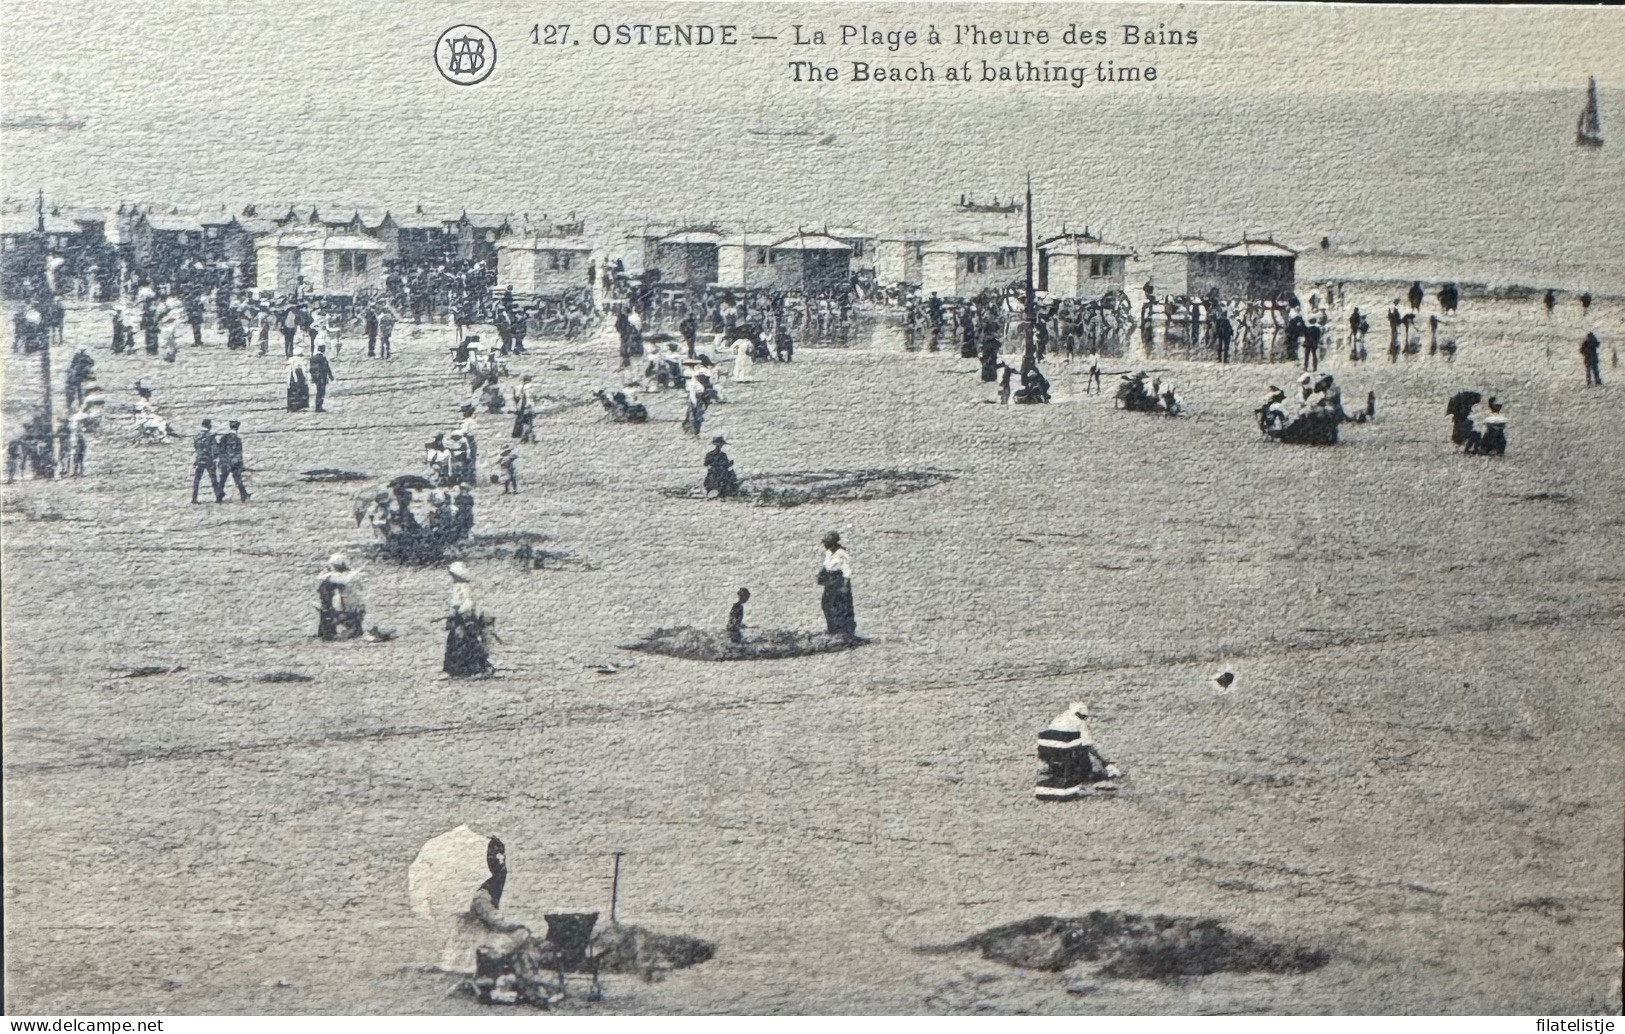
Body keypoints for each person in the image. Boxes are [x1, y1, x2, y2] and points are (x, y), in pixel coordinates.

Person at [438, 836, 530, 974]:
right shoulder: (480, 894)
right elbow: (494, 919)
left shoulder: (467, 887)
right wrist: (518, 925)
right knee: (521, 934)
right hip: (473, 945)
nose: (502, 866)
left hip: (462, 943)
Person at [1034, 701, 1119, 801]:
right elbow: (1089, 746)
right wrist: (1104, 762)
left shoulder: (1060, 717)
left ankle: (1056, 770)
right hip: (1063, 750)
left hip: (1046, 748)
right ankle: (1084, 774)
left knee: (1071, 745)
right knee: (1081, 748)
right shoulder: (1080, 722)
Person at [444, 562, 494, 677]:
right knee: (457, 642)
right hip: (459, 618)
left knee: (467, 642)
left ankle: (473, 669)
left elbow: (468, 604)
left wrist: (460, 613)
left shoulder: (465, 587)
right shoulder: (457, 587)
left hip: (465, 619)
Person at [817, 532, 857, 638]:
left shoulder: (841, 553)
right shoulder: (829, 553)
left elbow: (847, 572)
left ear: (832, 543)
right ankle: (832, 629)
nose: (824, 545)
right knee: (826, 604)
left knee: (840, 606)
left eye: (826, 543)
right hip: (830, 581)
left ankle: (843, 631)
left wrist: (845, 586)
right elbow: (826, 565)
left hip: (839, 581)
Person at [316, 554, 365, 639]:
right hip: (355, 611)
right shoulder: (355, 574)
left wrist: (326, 571)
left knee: (325, 590)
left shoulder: (343, 577)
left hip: (349, 612)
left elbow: (322, 578)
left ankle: (329, 629)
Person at [215, 419, 250, 502]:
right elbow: (239, 454)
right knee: (238, 480)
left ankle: (219, 497)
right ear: (237, 428)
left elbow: (220, 450)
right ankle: (243, 495)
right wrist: (241, 465)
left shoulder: (223, 438)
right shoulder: (238, 440)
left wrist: (221, 460)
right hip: (235, 463)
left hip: (225, 462)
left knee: (222, 480)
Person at [190, 420, 223, 503]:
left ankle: (194, 498)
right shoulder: (210, 436)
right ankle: (218, 497)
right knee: (214, 479)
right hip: (209, 459)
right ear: (209, 426)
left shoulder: (197, 436)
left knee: (197, 480)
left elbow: (196, 448)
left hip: (199, 459)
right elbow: (215, 449)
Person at [309, 345, 335, 412]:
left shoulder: (313, 358)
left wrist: (312, 376)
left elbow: (311, 369)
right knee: (321, 392)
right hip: (322, 377)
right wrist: (331, 376)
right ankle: (319, 406)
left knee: (318, 391)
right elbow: (326, 368)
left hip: (315, 377)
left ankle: (317, 406)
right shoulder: (323, 358)